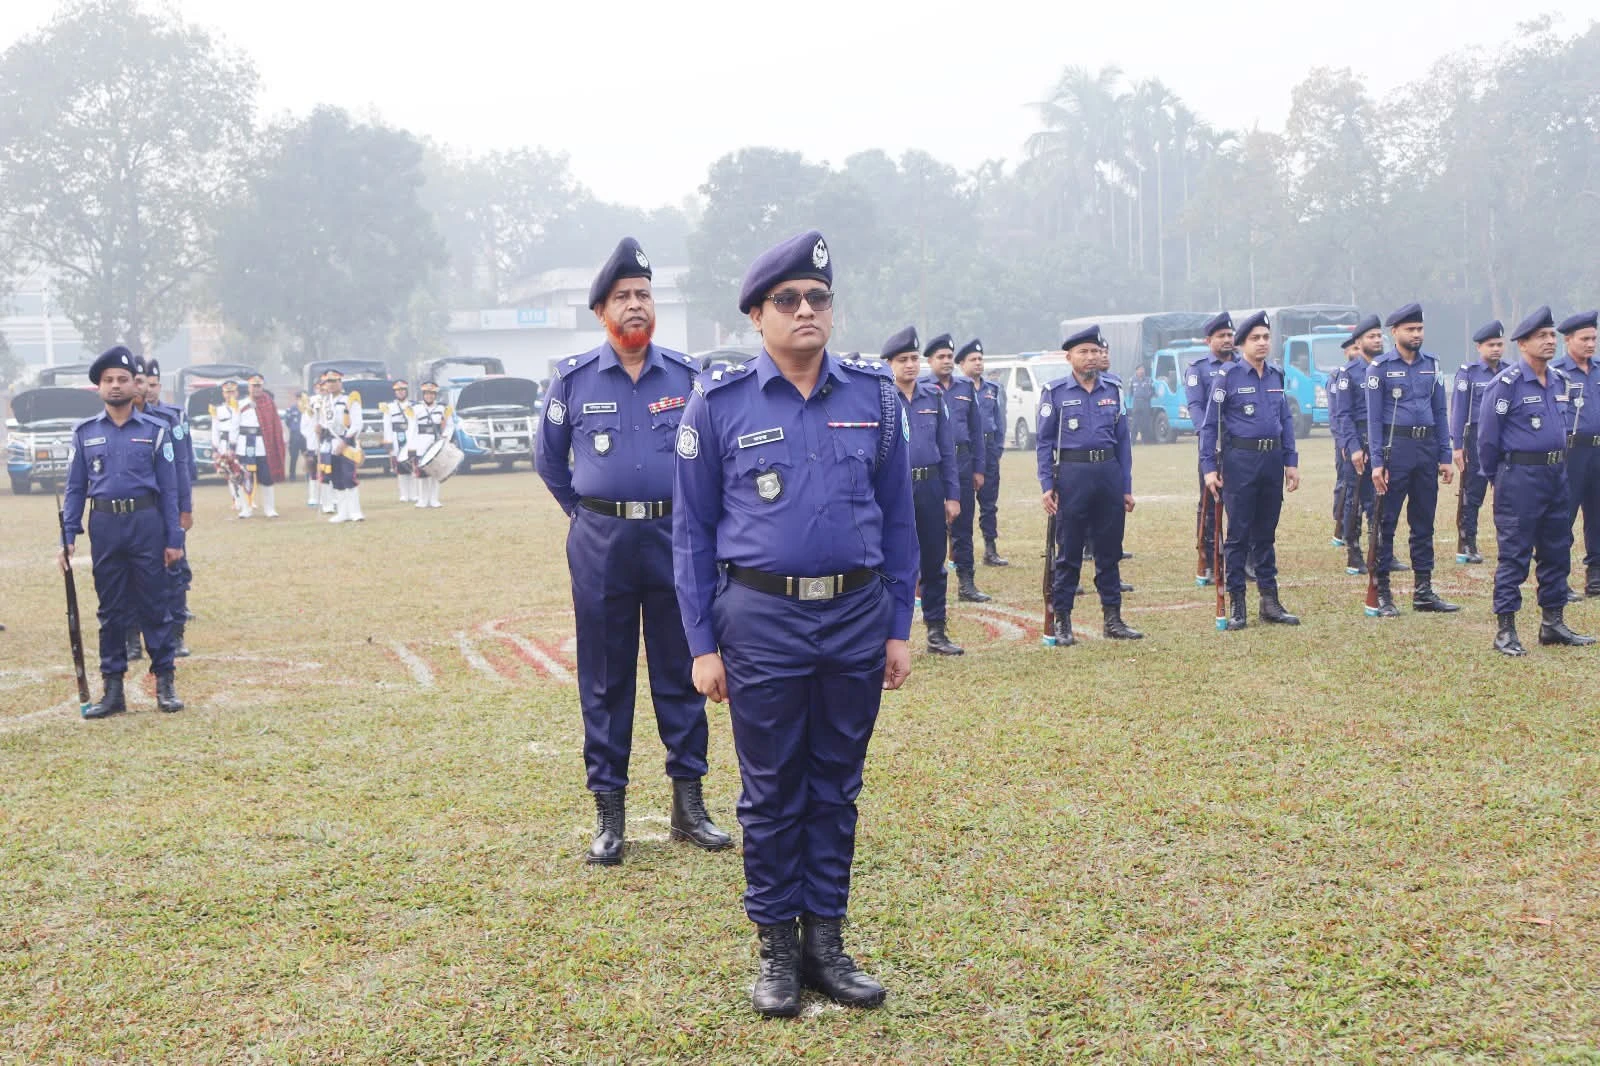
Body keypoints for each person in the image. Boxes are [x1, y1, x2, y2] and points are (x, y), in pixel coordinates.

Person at [673, 230, 915, 1017]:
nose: (806, 309)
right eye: (788, 299)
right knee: (772, 790)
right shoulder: (718, 402)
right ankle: (776, 949)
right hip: (761, 619)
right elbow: (692, 533)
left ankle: (827, 945)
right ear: (757, 315)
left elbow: (899, 519)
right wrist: (703, 645)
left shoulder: (873, 397)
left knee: (837, 785)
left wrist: (898, 625)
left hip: (854, 615)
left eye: (818, 298)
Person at [536, 237, 729, 867]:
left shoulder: (688, 376)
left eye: (644, 294)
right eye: (623, 297)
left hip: (676, 536)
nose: (636, 304)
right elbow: (549, 460)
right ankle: (609, 813)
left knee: (683, 668)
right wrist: (587, 513)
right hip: (601, 542)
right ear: (601, 312)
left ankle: (689, 804)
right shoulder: (572, 379)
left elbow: (713, 459)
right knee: (605, 676)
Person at [57, 346, 185, 717]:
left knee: (154, 605)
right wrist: (68, 535)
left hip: (147, 524)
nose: (115, 386)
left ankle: (165, 683)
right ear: (99, 387)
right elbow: (75, 488)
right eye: (108, 380)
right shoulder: (84, 433)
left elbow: (170, 489)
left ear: (135, 386)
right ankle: (113, 690)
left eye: (122, 379)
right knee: (111, 610)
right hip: (105, 526)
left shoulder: (156, 431)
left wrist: (174, 538)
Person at [1477, 306, 1595, 654]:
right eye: (1541, 337)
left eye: (1551, 336)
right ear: (1523, 344)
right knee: (1515, 554)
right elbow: (1487, 441)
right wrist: (1500, 479)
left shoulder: (1559, 381)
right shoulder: (1507, 385)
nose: (1549, 342)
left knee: (1557, 548)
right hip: (1520, 477)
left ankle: (1552, 622)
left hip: (1557, 473)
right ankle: (1506, 630)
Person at [1036, 325, 1142, 645]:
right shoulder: (1055, 392)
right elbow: (1043, 443)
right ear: (1069, 357)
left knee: (1109, 550)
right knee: (1068, 551)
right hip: (1072, 474)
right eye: (1084, 351)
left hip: (1108, 472)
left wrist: (1125, 486)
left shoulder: (1113, 389)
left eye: (1095, 351)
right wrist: (1046, 484)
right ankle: (1063, 620)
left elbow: (1123, 441)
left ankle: (1113, 619)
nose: (1091, 356)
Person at [1199, 311, 1301, 630]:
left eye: (1266, 337)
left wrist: (1291, 461)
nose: (1262, 343)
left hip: (1271, 462)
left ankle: (1270, 602)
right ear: (1242, 343)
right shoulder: (1227, 377)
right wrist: (1208, 468)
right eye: (1255, 338)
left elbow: (1284, 419)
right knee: (1238, 534)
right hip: (1240, 461)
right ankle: (1238, 604)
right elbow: (1209, 425)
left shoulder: (1276, 375)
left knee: (1266, 534)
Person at [1363, 303, 1459, 617]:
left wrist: (1445, 454)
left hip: (1427, 447)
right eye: (1410, 330)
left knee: (1423, 522)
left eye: (1419, 329)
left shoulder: (1432, 365)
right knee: (1386, 522)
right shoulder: (1379, 368)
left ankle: (1423, 591)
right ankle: (1384, 593)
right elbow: (1374, 420)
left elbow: (1442, 412)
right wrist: (1377, 462)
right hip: (1396, 449)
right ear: (1395, 333)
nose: (1416, 334)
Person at [885, 326, 962, 655]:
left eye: (914, 359)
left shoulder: (934, 397)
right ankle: (884, 635)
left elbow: (947, 448)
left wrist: (953, 494)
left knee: (934, 560)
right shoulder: (882, 397)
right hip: (894, 488)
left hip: (929, 486)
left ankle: (935, 631)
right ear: (890, 363)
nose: (910, 365)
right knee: (889, 563)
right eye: (903, 360)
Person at [133, 357, 195, 658]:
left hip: (164, 509)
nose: (142, 387)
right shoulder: (112, 421)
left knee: (174, 572)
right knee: (129, 575)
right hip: (133, 513)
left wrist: (185, 508)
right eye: (138, 380)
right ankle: (132, 637)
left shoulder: (170, 419)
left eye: (146, 381)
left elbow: (181, 466)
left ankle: (176, 633)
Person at [923, 334, 988, 601]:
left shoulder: (965, 387)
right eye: (941, 357)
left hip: (962, 463)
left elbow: (977, 429)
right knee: (930, 528)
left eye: (950, 357)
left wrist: (978, 468)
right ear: (930, 360)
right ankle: (926, 583)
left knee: (963, 527)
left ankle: (966, 583)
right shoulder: (921, 387)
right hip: (932, 466)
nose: (947, 361)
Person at [1449, 320, 1507, 565]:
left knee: (1506, 492)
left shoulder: (1509, 371)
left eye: (1499, 344)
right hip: (1475, 437)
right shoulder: (1469, 372)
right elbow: (1459, 410)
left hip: (1504, 437)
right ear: (1479, 347)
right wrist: (1458, 446)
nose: (1496, 349)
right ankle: (1467, 542)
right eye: (1491, 345)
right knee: (1473, 492)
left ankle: (1508, 542)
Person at [1185, 313, 1235, 585]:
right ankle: (1209, 556)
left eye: (1230, 335)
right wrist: (1206, 432)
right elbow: (1195, 405)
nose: (1227, 340)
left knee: (1239, 503)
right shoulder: (1199, 368)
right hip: (1212, 443)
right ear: (1209, 340)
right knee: (1210, 502)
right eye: (1221, 336)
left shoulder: (1242, 365)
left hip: (1240, 443)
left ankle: (1240, 558)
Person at [1332, 316, 1383, 574]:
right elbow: (1343, 414)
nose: (1377, 340)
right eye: (1371, 337)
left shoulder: (1385, 368)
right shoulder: (1348, 373)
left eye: (1379, 335)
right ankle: (1354, 551)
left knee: (1380, 499)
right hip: (1360, 441)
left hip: (1382, 442)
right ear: (1359, 342)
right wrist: (1352, 447)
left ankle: (1381, 551)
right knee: (1354, 498)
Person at [1554, 309, 1600, 598]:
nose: (1591, 344)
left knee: (1598, 517)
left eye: (1594, 338)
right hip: (1572, 452)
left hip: (1598, 450)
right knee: (1563, 516)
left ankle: (1595, 576)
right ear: (1568, 340)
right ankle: (1557, 578)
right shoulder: (1557, 373)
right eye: (1585, 339)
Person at [960, 339, 1009, 567]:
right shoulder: (957, 389)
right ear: (962, 364)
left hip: (989, 451)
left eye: (980, 359)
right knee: (961, 504)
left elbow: (1000, 421)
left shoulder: (993, 389)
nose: (978, 363)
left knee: (989, 503)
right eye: (973, 359)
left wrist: (998, 449)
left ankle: (990, 549)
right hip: (965, 452)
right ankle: (959, 552)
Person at [235, 374, 285, 519]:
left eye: (259, 386)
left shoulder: (268, 403)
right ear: (249, 387)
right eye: (253, 386)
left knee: (266, 477)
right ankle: (246, 508)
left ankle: (270, 508)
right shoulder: (241, 404)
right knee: (245, 478)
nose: (256, 389)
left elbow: (275, 425)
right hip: (245, 444)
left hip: (263, 445)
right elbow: (234, 426)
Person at [324, 370, 365, 523]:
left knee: (349, 477)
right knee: (336, 479)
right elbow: (325, 423)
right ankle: (343, 512)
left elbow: (357, 424)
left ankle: (355, 512)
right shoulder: (325, 402)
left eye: (335, 381)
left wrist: (345, 442)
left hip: (347, 443)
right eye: (329, 381)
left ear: (340, 382)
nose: (332, 384)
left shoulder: (350, 400)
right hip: (331, 443)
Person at [405, 381, 452, 509]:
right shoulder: (415, 409)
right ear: (423, 394)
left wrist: (445, 439)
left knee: (435, 473)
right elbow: (411, 429)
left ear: (435, 395)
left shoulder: (442, 408)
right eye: (427, 393)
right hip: (420, 443)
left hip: (436, 444)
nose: (429, 396)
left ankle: (434, 499)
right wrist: (411, 446)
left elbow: (449, 426)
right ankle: (422, 500)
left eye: (432, 394)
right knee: (422, 474)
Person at [211, 379, 243, 516]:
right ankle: (236, 499)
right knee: (230, 473)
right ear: (223, 394)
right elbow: (215, 430)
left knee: (243, 471)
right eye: (227, 392)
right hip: (224, 444)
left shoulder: (243, 407)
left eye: (232, 392)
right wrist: (215, 449)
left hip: (241, 442)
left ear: (237, 392)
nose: (230, 394)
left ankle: (247, 498)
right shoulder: (218, 410)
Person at [382, 379, 416, 502]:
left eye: (402, 390)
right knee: (400, 469)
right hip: (396, 437)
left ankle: (413, 494)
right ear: (395, 392)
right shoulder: (389, 407)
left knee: (412, 466)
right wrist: (388, 442)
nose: (400, 392)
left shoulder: (414, 405)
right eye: (398, 391)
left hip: (410, 437)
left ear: (406, 391)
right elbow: (387, 425)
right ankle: (404, 494)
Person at [1130, 364, 1156, 445]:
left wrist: (1148, 396)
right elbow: (1130, 391)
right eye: (1140, 369)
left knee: (1145, 424)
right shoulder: (1132, 380)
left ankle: (1146, 441)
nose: (1141, 371)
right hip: (1136, 403)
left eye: (1142, 369)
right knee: (1134, 423)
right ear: (1136, 371)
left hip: (1145, 403)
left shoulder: (1149, 380)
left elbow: (1153, 391)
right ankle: (1132, 442)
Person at [285, 390, 307, 481]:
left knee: (308, 456)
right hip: (295, 436)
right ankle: (292, 475)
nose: (300, 399)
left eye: (301, 397)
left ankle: (309, 475)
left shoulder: (308, 408)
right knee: (293, 456)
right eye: (298, 397)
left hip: (305, 436)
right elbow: (288, 421)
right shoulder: (292, 408)